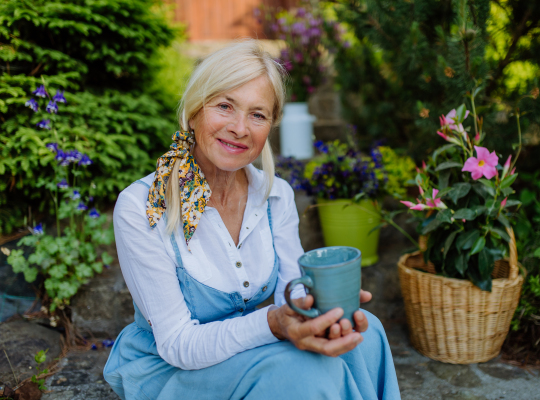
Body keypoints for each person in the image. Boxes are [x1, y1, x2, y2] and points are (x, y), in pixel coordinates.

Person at [103, 39, 401, 400]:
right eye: (225, 106)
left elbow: (294, 289)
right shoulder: (142, 205)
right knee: (304, 371)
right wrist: (274, 323)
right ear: (195, 110)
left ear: (271, 126)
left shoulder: (276, 196)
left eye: (257, 115)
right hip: (171, 367)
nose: (240, 128)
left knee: (365, 337)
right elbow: (178, 344)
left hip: (242, 347)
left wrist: (323, 308)